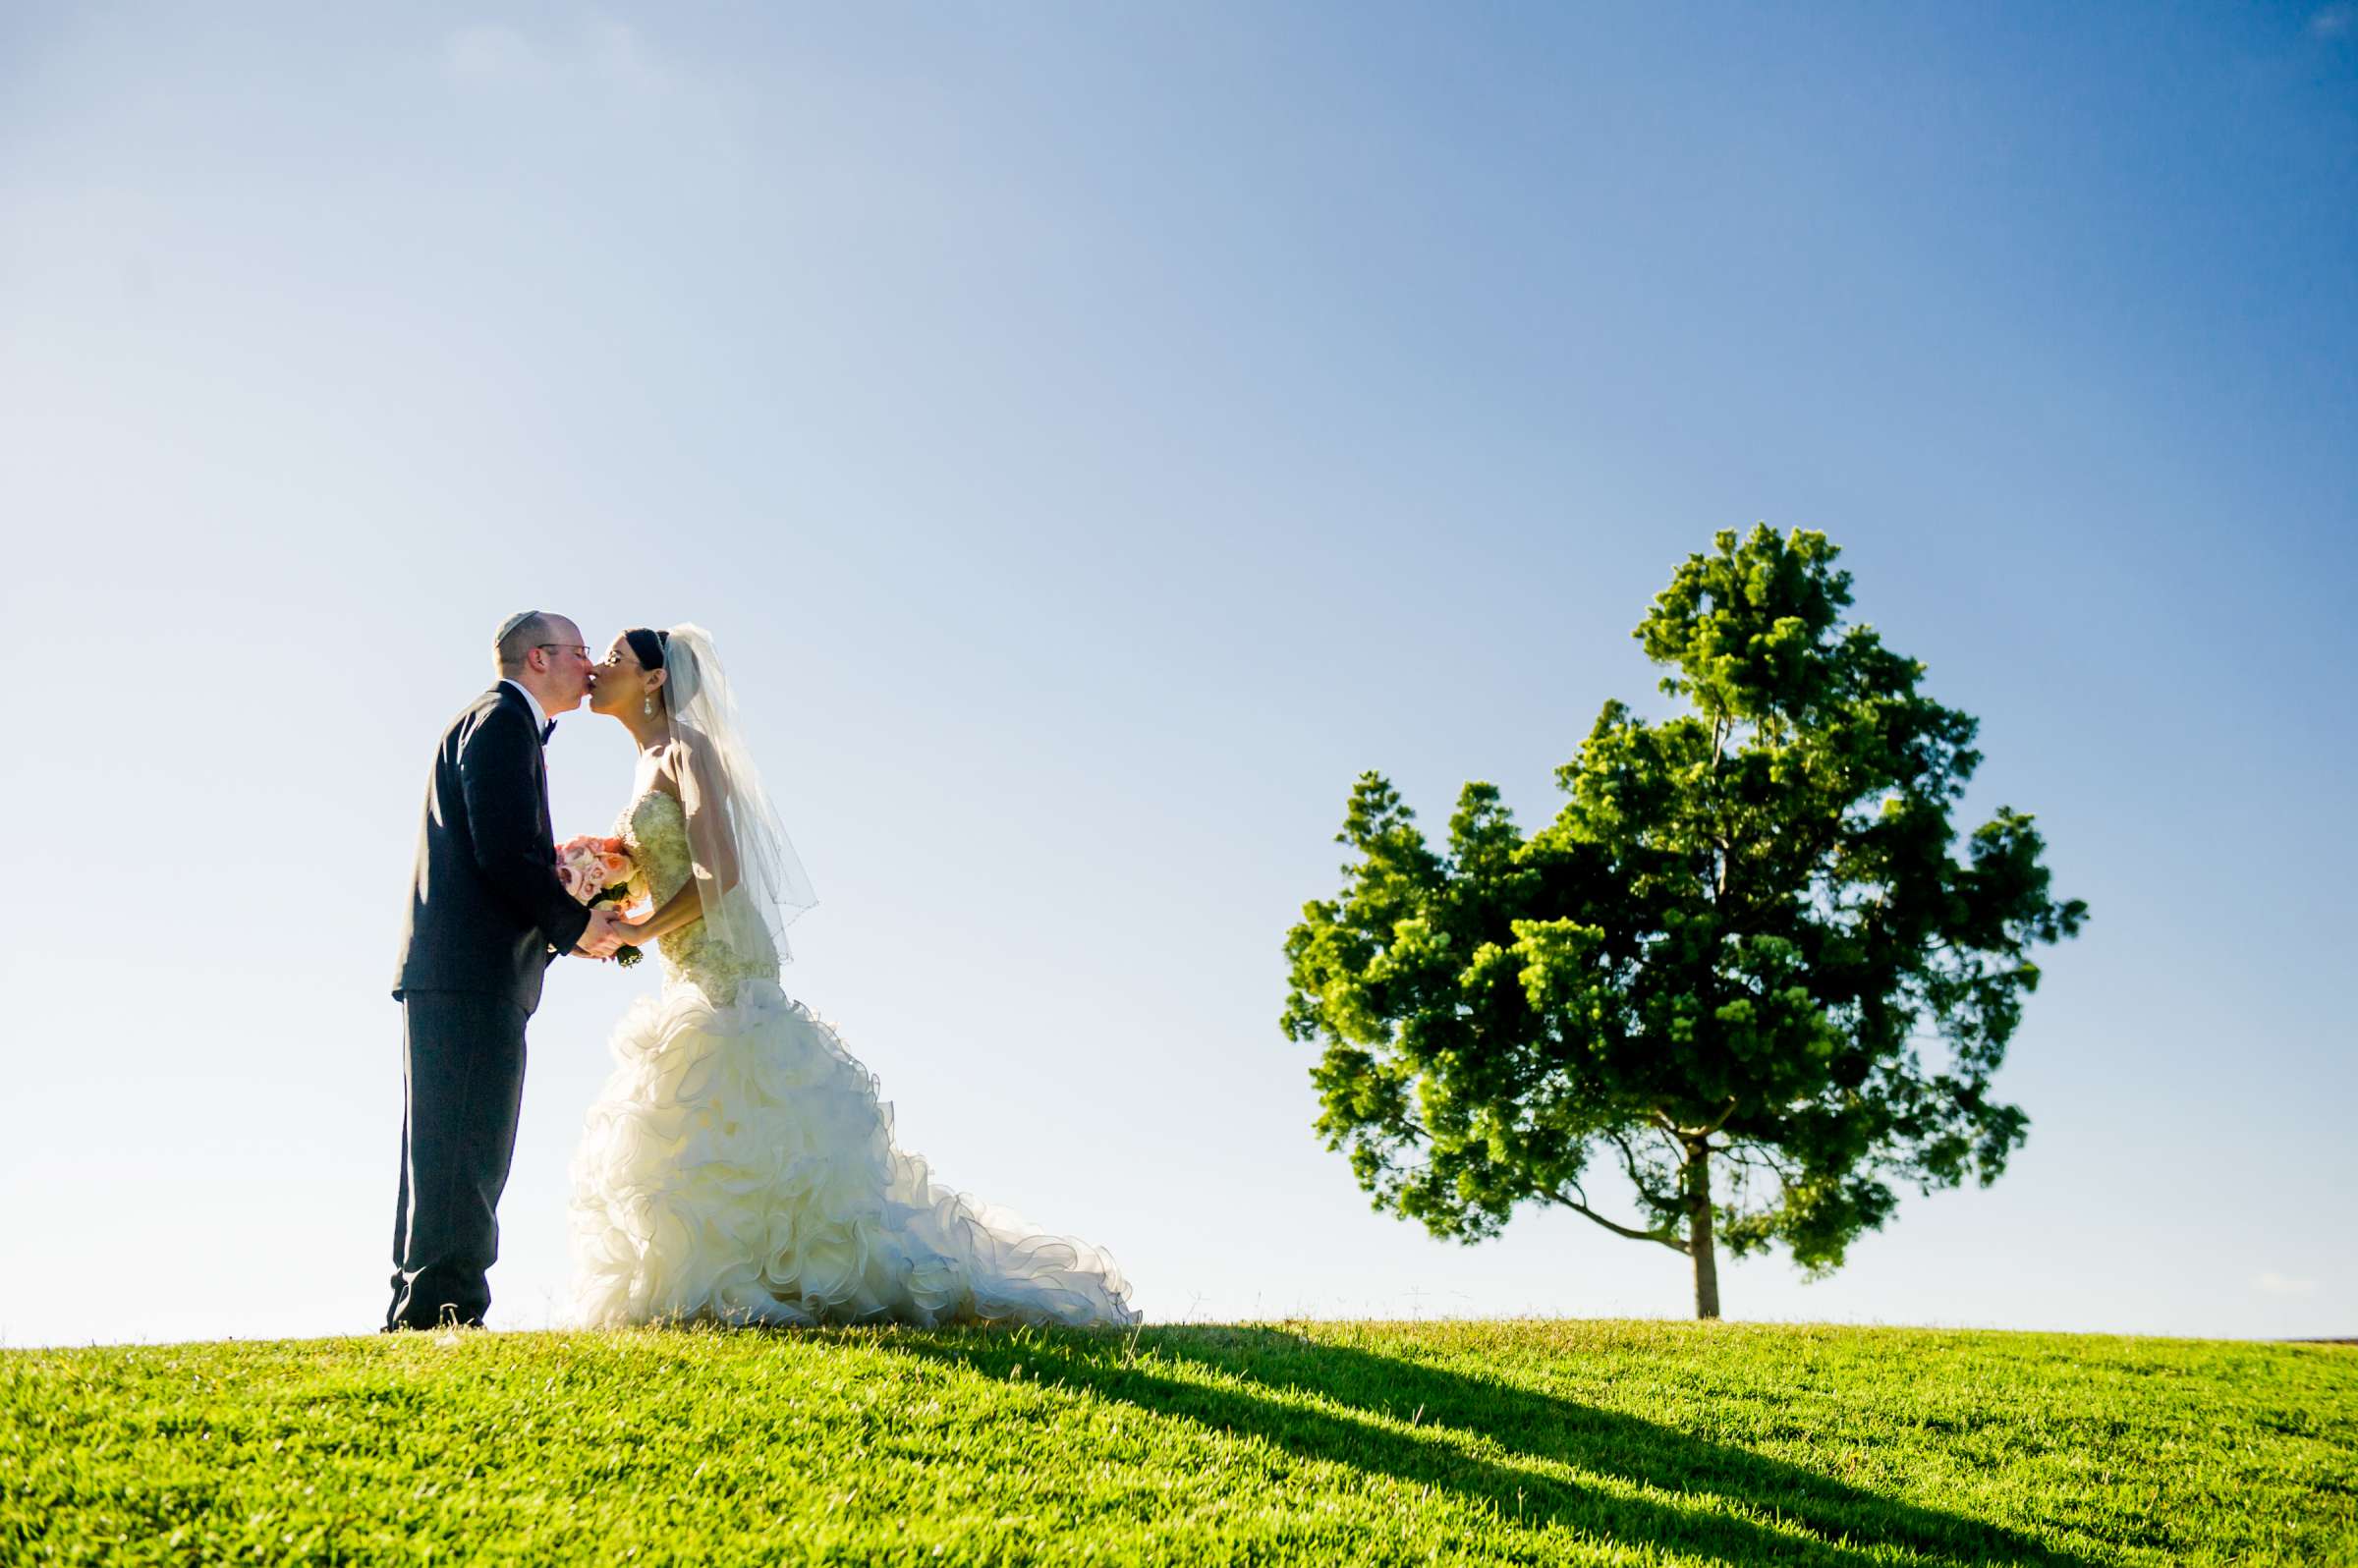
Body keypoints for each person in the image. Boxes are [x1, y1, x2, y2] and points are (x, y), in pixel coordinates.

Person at [566, 624, 1139, 1327]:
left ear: (654, 680)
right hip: (684, 957)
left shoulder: (688, 747)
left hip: (723, 956)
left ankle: (779, 1274)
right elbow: (677, 865)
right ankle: (718, 1276)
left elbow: (724, 872)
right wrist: (612, 886)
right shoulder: (646, 758)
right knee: (707, 1115)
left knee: (733, 1094)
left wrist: (637, 927)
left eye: (615, 660)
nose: (597, 668)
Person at [386, 611, 630, 1330]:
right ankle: (444, 1310)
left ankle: (419, 1305)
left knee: (445, 1146)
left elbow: (509, 852)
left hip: (460, 969)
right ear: (537, 658)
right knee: (466, 1144)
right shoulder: (499, 723)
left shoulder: (495, 723)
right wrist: (578, 923)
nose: (589, 666)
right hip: (471, 970)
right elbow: (502, 853)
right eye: (580, 651)